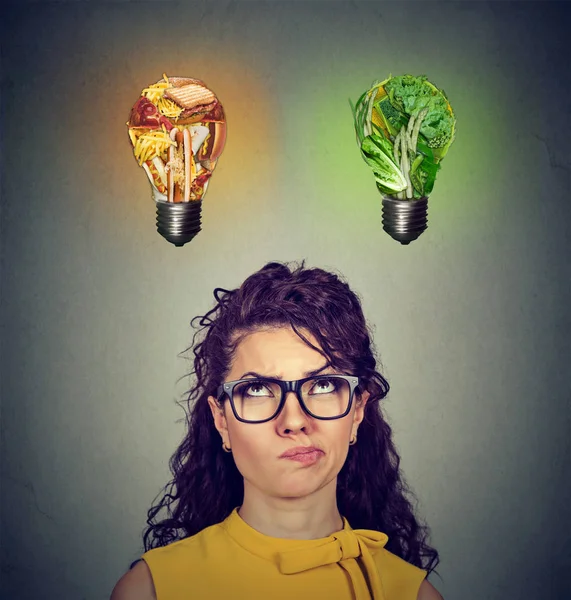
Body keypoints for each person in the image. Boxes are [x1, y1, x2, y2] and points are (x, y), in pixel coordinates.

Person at [111, 261, 443, 600]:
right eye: (256, 389)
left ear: (358, 410)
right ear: (221, 420)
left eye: (324, 384)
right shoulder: (149, 591)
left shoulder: (414, 595)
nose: (294, 420)